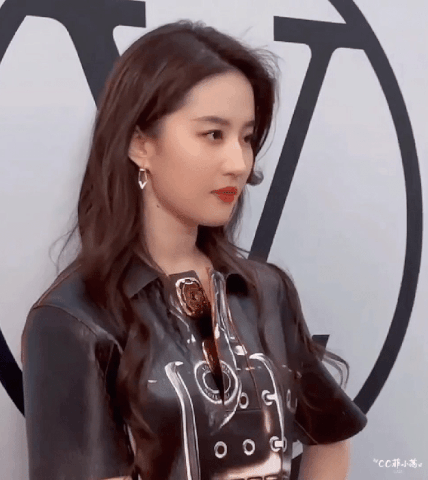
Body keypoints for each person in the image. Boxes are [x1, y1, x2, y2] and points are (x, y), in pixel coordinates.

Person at [21, 19, 367, 480]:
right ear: (140, 144)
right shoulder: (74, 319)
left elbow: (331, 435)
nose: (239, 163)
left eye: (247, 137)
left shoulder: (264, 292)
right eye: (213, 134)